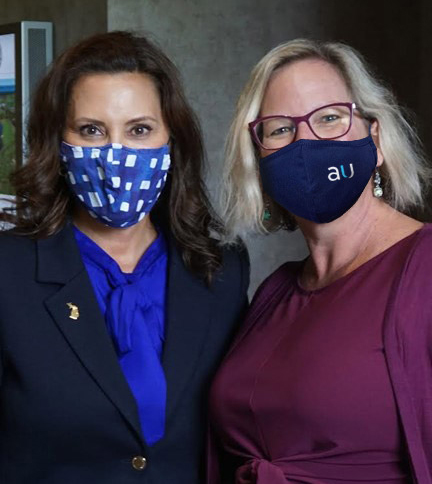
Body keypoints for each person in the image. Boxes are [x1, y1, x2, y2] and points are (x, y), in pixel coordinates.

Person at [0, 31, 249, 484]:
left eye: (139, 130)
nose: (117, 153)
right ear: (58, 144)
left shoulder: (223, 269)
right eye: (91, 130)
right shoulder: (8, 271)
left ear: (172, 141)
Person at [208, 39, 432, 484]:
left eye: (329, 119)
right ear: (259, 160)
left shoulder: (423, 271)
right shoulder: (275, 293)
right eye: (279, 129)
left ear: (376, 139)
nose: (305, 143)